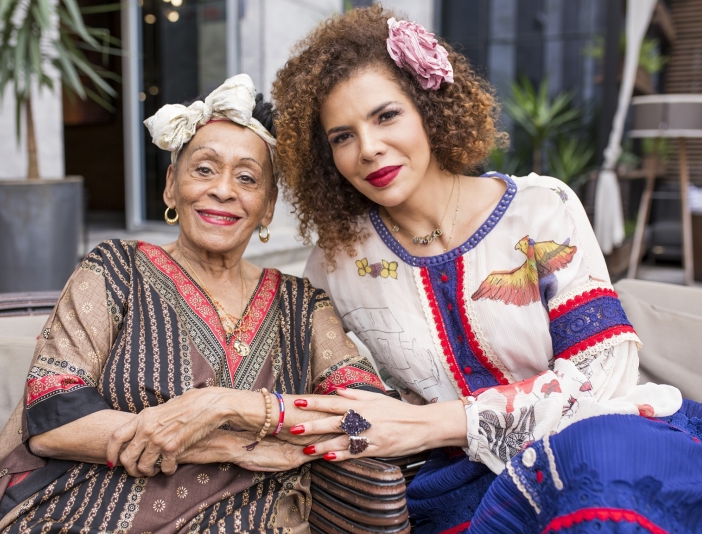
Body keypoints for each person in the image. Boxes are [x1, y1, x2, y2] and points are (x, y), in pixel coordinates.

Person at [271, 6, 702, 533]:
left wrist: (431, 424)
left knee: (599, 488)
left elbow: (603, 378)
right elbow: (309, 382)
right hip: (459, 484)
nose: (369, 149)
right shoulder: (337, 263)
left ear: (428, 108)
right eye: (342, 136)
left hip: (598, 445)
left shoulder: (541, 209)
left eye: (386, 116)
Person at [0, 74, 384, 534]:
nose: (223, 189)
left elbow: (366, 419)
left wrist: (226, 406)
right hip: (83, 513)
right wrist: (227, 444)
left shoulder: (303, 306)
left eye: (247, 177)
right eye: (204, 169)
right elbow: (51, 418)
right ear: (170, 186)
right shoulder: (115, 269)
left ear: (268, 206)